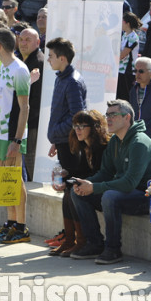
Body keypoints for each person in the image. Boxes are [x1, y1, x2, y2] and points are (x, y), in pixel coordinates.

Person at [71, 99, 151, 264]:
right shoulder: (114, 141)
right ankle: (95, 244)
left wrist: (95, 187)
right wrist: (85, 184)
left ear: (127, 118)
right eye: (107, 115)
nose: (108, 119)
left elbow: (129, 183)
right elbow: (105, 173)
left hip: (146, 197)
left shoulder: (139, 142)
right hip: (126, 193)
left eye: (113, 115)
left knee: (109, 196)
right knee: (78, 192)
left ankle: (113, 249)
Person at [0, 28, 31, 244]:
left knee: (15, 179)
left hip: (11, 135)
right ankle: (11, 223)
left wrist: (17, 139)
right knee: (5, 179)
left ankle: (21, 226)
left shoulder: (19, 70)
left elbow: (24, 107)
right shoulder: (3, 67)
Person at [48, 110, 110, 257]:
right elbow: (82, 172)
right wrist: (65, 176)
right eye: (75, 126)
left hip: (107, 188)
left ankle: (84, 241)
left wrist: (76, 181)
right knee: (69, 189)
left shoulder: (102, 147)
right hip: (95, 185)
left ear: (94, 128)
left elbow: (101, 174)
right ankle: (71, 240)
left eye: (82, 126)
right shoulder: (83, 146)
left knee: (74, 191)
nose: (78, 130)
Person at [46, 37, 88, 166]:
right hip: (64, 141)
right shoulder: (62, 77)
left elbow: (77, 117)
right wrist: (56, 140)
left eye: (51, 56)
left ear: (62, 58)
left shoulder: (72, 82)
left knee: (71, 183)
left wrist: (57, 132)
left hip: (71, 145)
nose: (48, 60)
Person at [17, 27, 44, 180]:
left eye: (28, 40)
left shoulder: (38, 62)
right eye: (21, 39)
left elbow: (36, 97)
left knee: (30, 158)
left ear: (38, 42)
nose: (23, 43)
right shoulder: (23, 60)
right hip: (26, 119)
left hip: (32, 120)